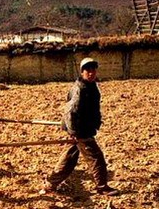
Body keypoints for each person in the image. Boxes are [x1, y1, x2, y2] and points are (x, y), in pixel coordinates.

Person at [42, 57, 119, 196]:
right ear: (82, 72)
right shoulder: (80, 89)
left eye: (93, 70)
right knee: (97, 158)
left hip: (83, 128)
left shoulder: (91, 86)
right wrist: (73, 131)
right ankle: (102, 186)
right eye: (88, 70)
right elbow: (70, 112)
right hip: (81, 130)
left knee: (69, 158)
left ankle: (50, 184)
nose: (91, 73)